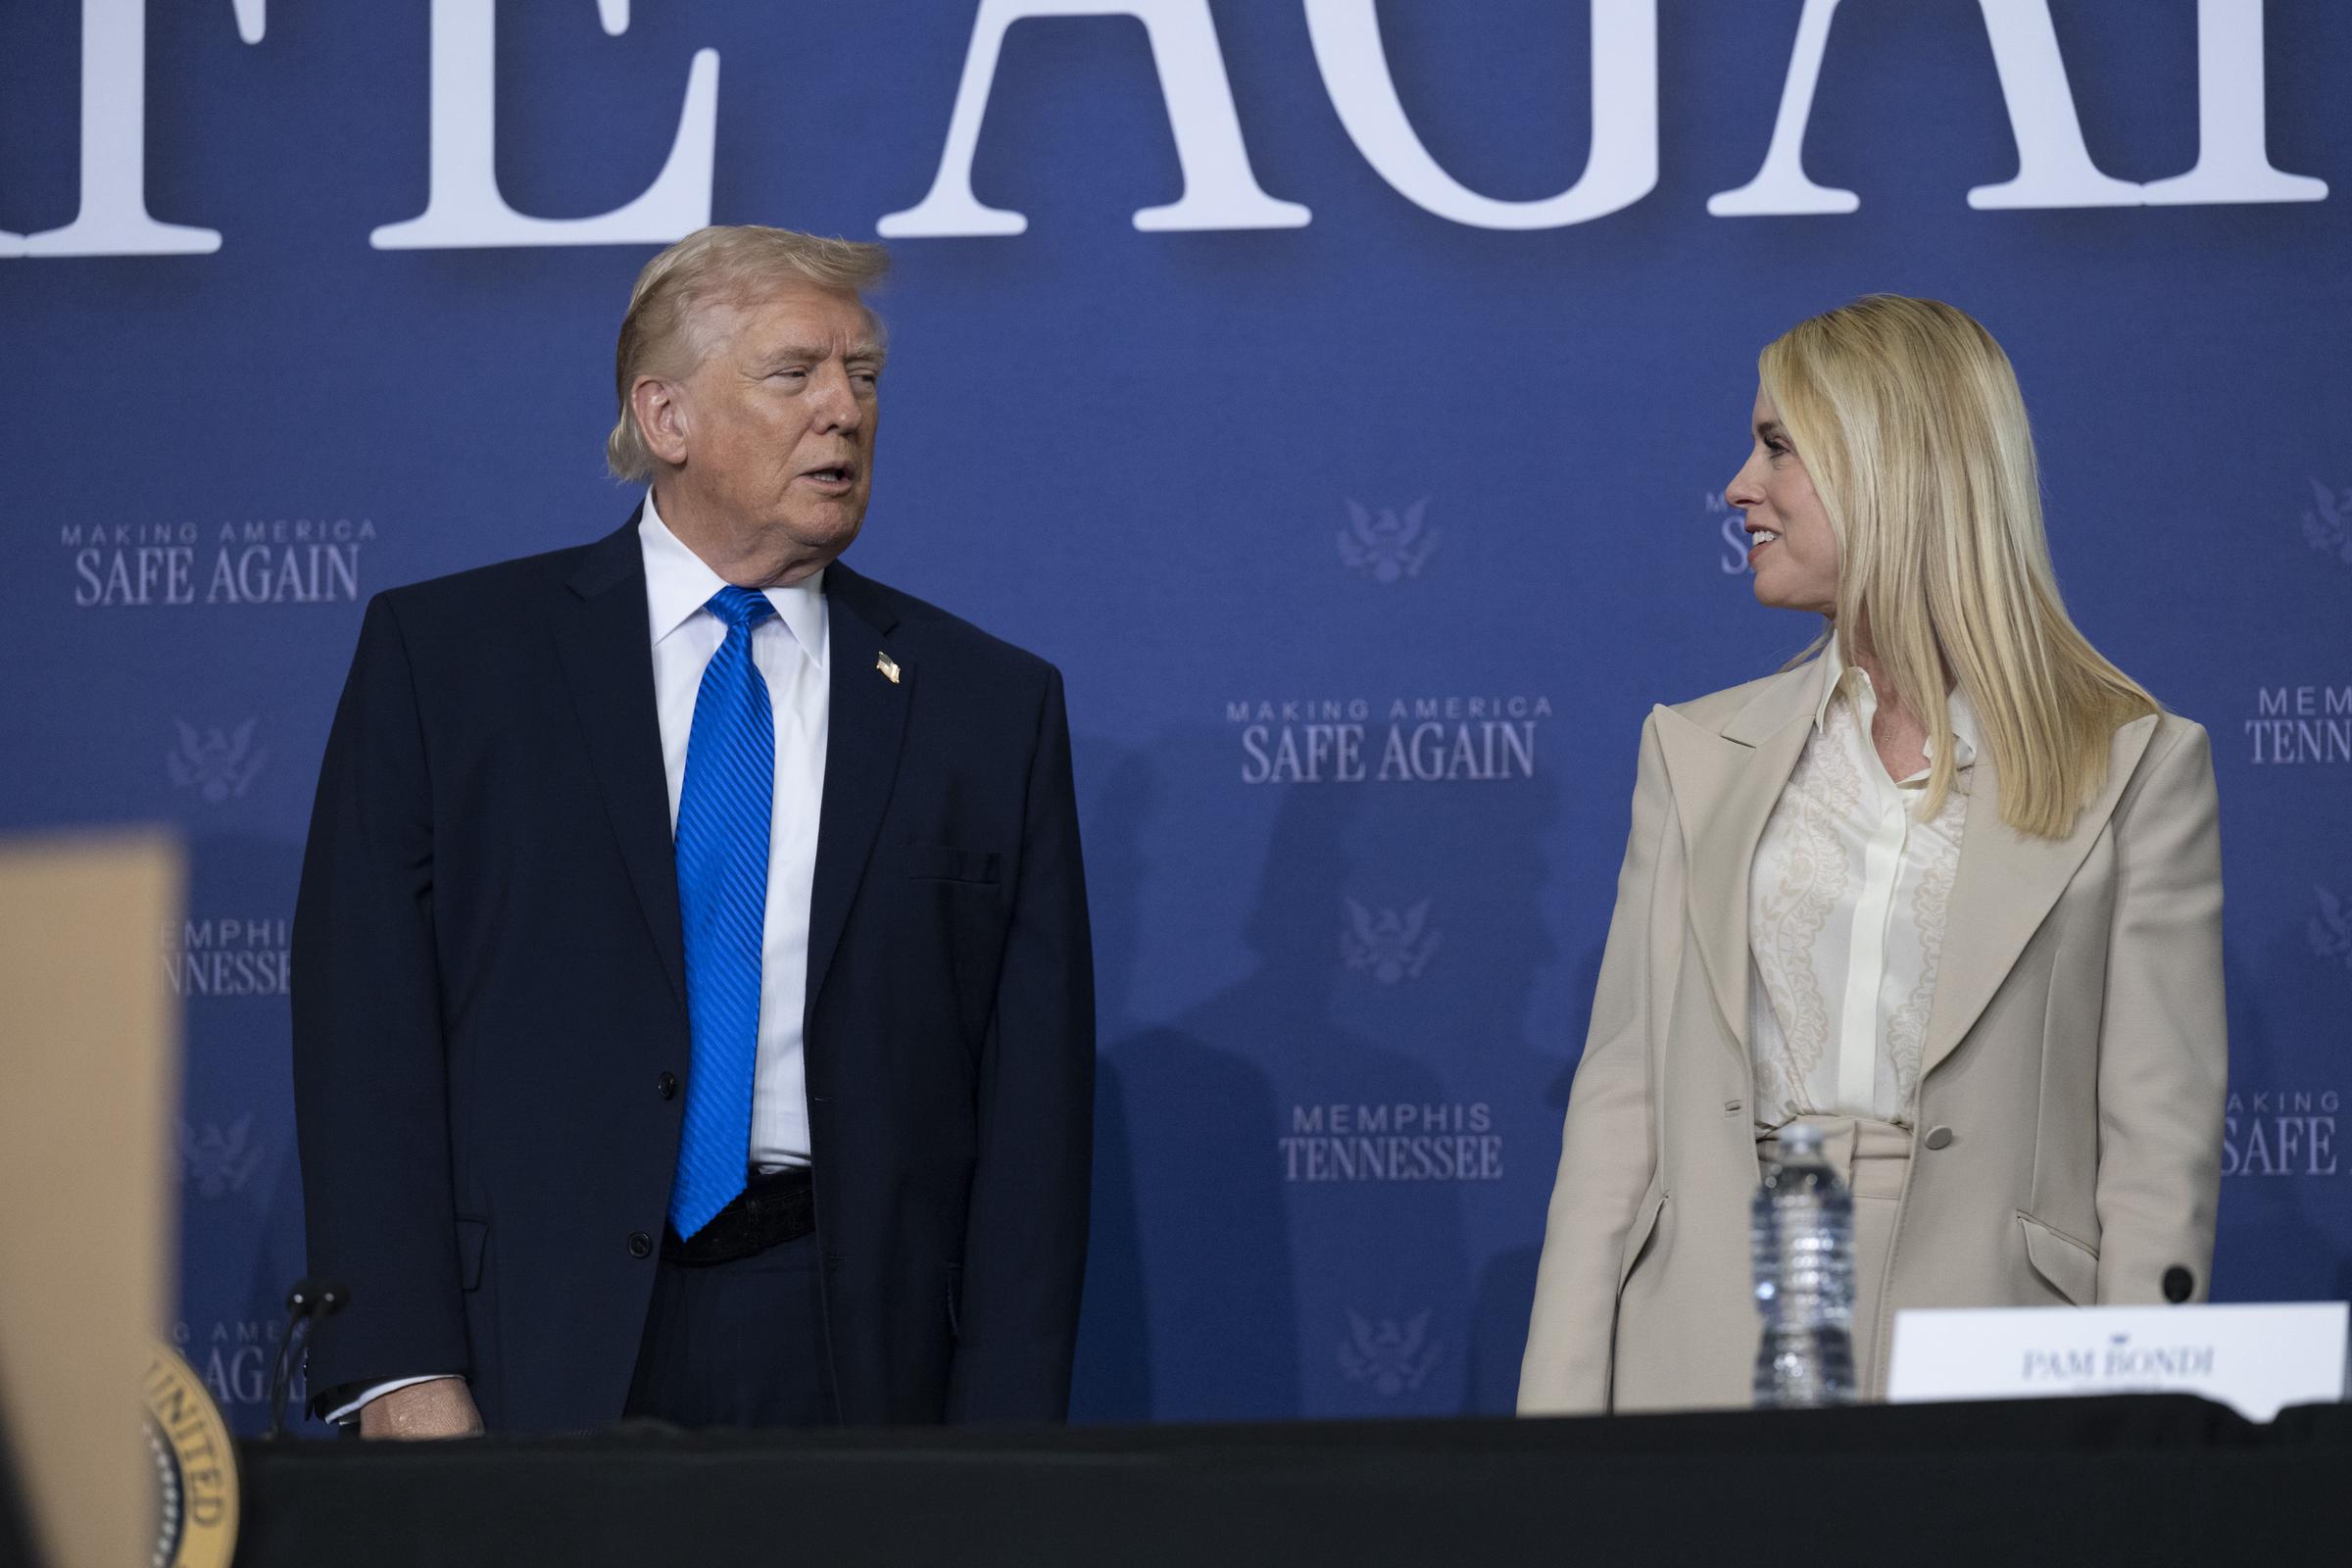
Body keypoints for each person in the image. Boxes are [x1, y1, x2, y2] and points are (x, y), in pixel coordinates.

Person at [293, 225, 1095, 1437]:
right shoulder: (450, 663)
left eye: (864, 375)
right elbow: (365, 1033)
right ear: (663, 416)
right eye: (795, 373)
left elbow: (1034, 1118)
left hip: (852, 1357)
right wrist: (403, 1367)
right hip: (530, 1343)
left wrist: (1006, 1436)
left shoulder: (987, 705)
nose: (845, 411)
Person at [1518, 295, 2225, 1413]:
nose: (1739, 486)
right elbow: (1617, 1121)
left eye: (1777, 446)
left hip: (1999, 1362)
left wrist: (2139, 1434)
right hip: (1703, 1347)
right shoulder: (1694, 752)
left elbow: (2155, 1159)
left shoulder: (2135, 769)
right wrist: (1550, 1431)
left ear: (1892, 465)